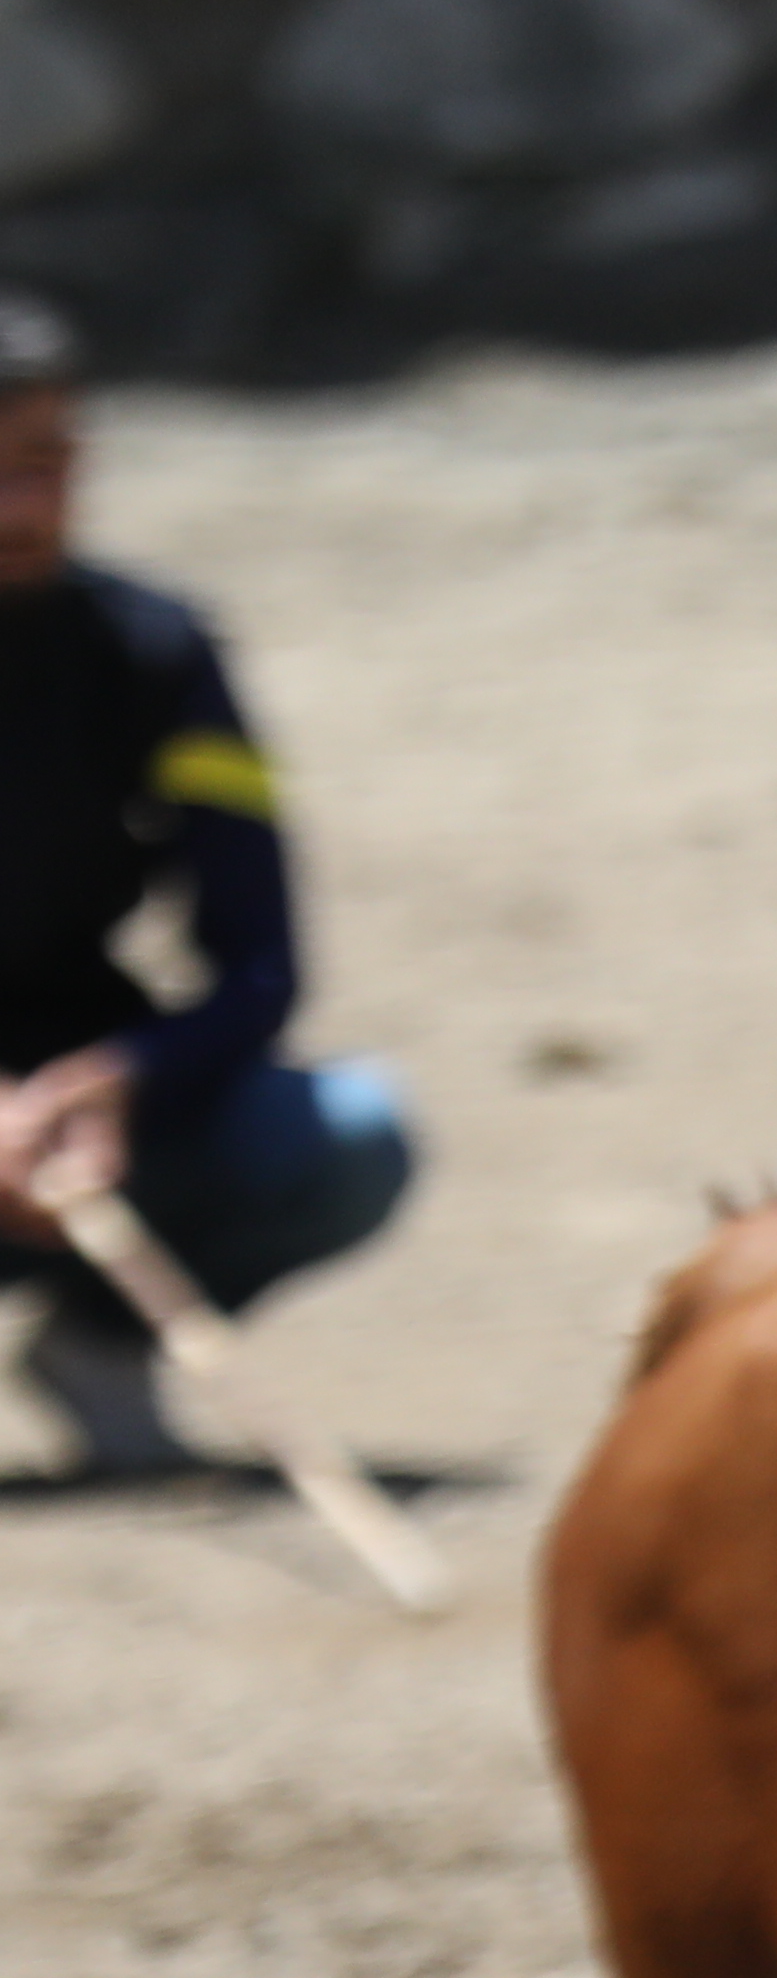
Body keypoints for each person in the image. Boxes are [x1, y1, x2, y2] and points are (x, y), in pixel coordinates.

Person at [0, 293, 413, 1478]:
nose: (22, 509)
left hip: (93, 1134)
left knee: (357, 1137)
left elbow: (262, 966)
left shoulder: (159, 655)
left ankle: (99, 1348)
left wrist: (119, 1083)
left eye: (46, 463)